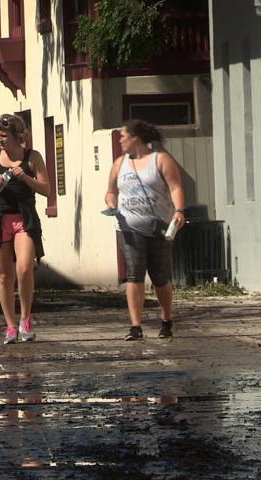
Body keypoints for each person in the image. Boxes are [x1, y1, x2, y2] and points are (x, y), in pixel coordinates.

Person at [105, 119, 187, 341]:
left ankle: (166, 319)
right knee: (134, 274)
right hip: (128, 227)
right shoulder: (119, 163)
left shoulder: (160, 160)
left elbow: (175, 187)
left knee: (160, 276)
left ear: (135, 137)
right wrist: (111, 204)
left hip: (158, 226)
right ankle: (135, 326)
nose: (120, 140)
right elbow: (110, 191)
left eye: (123, 136)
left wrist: (179, 210)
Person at [0, 114, 49, 344]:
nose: (0, 139)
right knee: (4, 276)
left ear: (17, 136)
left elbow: (46, 189)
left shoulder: (32, 157)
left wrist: (25, 177)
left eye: (4, 135)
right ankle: (10, 326)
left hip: (23, 218)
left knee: (24, 268)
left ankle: (26, 319)